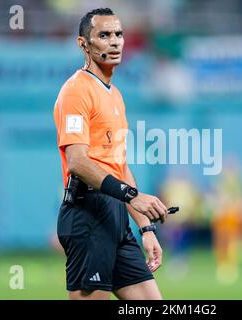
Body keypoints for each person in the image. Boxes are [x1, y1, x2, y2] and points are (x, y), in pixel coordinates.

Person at [53, 8, 168, 300]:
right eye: (103, 35)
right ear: (84, 44)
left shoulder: (114, 95)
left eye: (118, 34)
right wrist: (132, 196)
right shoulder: (76, 91)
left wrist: (146, 227)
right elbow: (78, 161)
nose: (114, 41)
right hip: (87, 214)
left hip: (116, 217)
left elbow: (120, 167)